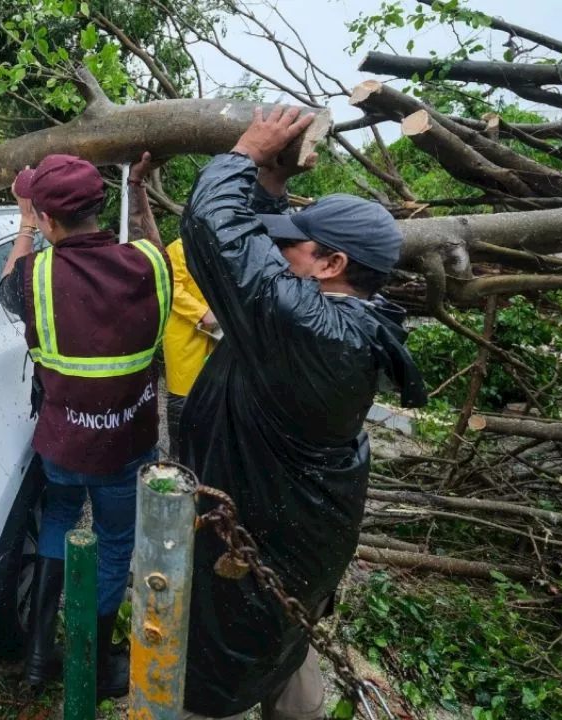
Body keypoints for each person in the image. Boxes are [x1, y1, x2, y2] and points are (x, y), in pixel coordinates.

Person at [176, 107, 427, 719]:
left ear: (333, 264)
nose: (279, 248)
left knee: (227, 653)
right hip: (296, 532)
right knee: (281, 639)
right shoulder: (348, 319)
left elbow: (217, 231)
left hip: (261, 534)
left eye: (295, 243)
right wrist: (272, 184)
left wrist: (243, 154)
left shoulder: (311, 330)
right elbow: (256, 243)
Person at [0, 154, 172, 699]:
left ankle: (38, 658)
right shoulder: (149, 264)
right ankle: (93, 662)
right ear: (100, 206)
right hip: (125, 440)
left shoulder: (37, 274)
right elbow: (157, 248)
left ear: (48, 221)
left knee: (61, 518)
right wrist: (139, 192)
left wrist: (24, 225)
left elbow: (6, 290)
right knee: (117, 540)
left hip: (64, 441)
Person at [124, 154, 218, 460]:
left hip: (220, 346)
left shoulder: (229, 249)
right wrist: (202, 313)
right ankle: (180, 458)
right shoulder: (178, 250)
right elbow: (171, 285)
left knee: (216, 408)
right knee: (183, 408)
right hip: (187, 341)